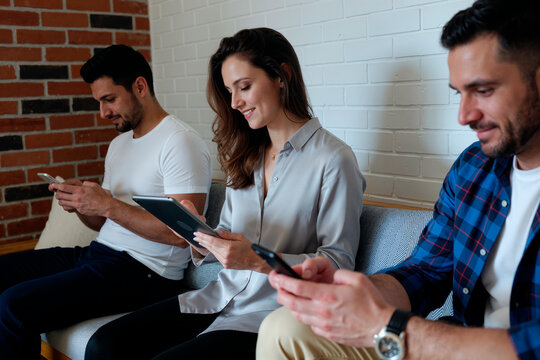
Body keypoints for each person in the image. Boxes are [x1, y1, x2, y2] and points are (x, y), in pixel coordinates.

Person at [258, 0, 540, 359]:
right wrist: (357, 292)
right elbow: (426, 271)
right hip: (450, 343)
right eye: (459, 93)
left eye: (483, 90)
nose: (464, 115)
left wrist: (399, 333)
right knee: (285, 329)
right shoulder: (474, 168)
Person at [84, 28, 366, 360]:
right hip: (218, 297)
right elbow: (228, 237)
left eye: (244, 87)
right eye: (230, 91)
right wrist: (196, 232)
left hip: (270, 315)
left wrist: (256, 260)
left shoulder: (333, 159)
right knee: (105, 344)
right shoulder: (244, 156)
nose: (234, 103)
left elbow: (338, 264)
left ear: (282, 75)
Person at [0, 44, 212, 360]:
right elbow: (103, 221)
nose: (103, 112)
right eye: (99, 102)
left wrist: (107, 204)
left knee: (14, 305)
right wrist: (83, 206)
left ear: (140, 87)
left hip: (146, 272)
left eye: (109, 99)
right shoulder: (118, 145)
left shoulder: (180, 141)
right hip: (100, 254)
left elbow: (181, 234)